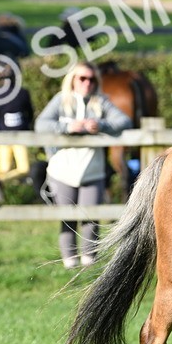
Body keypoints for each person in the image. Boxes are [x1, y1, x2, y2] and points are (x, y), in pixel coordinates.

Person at [36, 61, 132, 269]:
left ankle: (90, 261)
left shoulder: (101, 101)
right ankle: (69, 262)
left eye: (91, 79)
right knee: (67, 217)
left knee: (90, 217)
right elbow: (41, 124)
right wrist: (67, 126)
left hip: (92, 170)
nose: (87, 83)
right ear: (72, 80)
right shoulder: (61, 101)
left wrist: (100, 125)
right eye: (82, 78)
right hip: (62, 169)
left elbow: (124, 121)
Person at [0, 64, 35, 201]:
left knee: (4, 168)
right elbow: (29, 113)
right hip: (19, 136)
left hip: (3, 136)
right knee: (23, 169)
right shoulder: (23, 93)